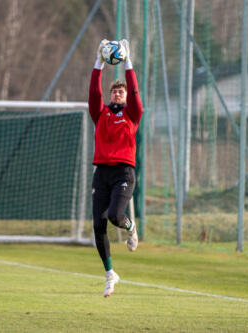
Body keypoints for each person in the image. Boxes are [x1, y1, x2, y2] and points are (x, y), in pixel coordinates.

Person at [88, 39, 143, 297]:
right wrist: (99, 62)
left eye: (120, 92)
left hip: (123, 172)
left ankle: (130, 227)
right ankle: (110, 274)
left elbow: (135, 94)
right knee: (98, 227)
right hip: (102, 173)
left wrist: (128, 61)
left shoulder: (132, 115)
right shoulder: (101, 114)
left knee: (114, 216)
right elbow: (94, 94)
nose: (117, 94)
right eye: (114, 92)